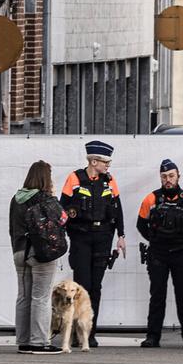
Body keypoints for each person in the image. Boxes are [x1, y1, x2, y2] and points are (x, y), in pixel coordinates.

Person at [60, 140, 125, 348]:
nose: (108, 165)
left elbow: (117, 208)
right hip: (81, 238)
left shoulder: (110, 181)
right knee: (80, 288)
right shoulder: (74, 178)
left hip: (103, 237)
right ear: (94, 161)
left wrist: (121, 235)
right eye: (106, 162)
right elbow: (62, 208)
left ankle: (89, 333)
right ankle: (73, 333)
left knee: (95, 288)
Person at [136, 158, 183, 348]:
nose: (168, 180)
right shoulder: (151, 199)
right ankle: (153, 337)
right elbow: (141, 225)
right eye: (164, 176)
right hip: (158, 253)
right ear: (160, 178)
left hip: (182, 253)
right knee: (157, 295)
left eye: (171, 176)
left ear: (178, 176)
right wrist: (155, 240)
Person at [10, 161, 65, 355]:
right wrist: (53, 196)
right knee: (41, 297)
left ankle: (23, 341)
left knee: (23, 296)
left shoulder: (16, 198)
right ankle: (39, 342)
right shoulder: (44, 198)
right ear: (45, 178)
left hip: (19, 251)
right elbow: (62, 218)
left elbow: (12, 228)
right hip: (41, 253)